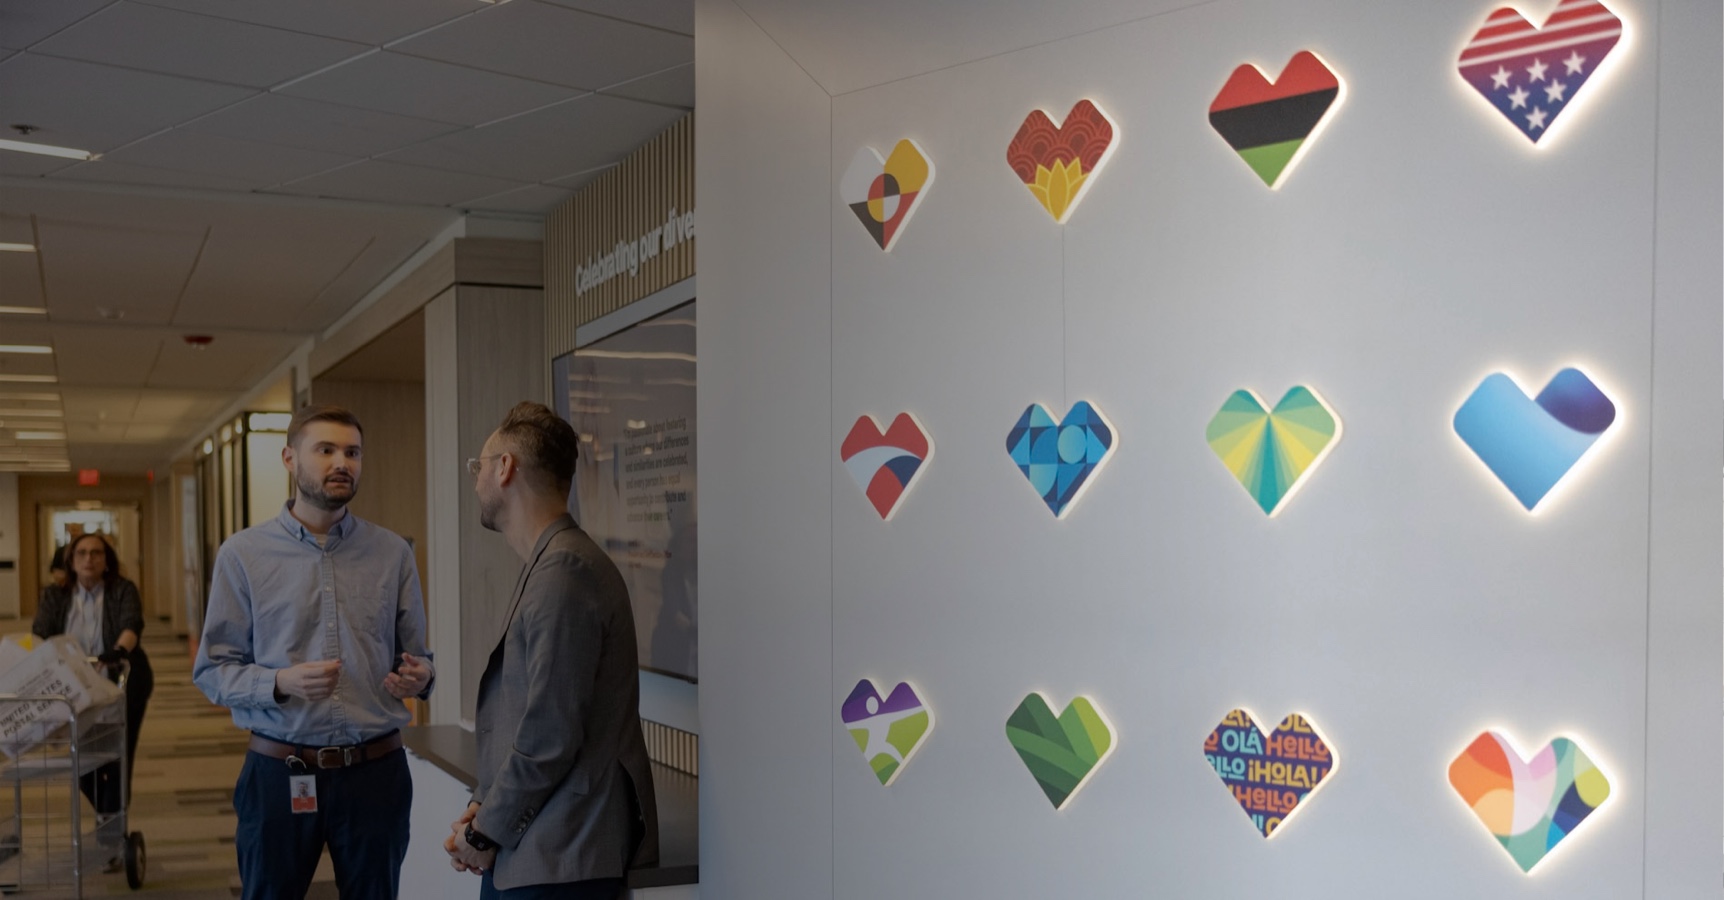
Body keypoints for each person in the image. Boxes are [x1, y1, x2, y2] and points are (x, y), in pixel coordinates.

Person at [192, 405, 434, 900]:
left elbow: (419, 658)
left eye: (352, 452)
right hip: (281, 771)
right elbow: (213, 670)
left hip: (376, 773)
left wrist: (422, 677)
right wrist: (280, 683)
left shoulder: (393, 553)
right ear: (289, 458)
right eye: (325, 450)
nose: (341, 462)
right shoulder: (242, 554)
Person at [445, 401, 658, 899]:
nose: (475, 481)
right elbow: (526, 716)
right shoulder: (548, 563)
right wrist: (485, 807)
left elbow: (549, 735)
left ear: (505, 468)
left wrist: (483, 832)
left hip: (564, 856)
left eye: (479, 467)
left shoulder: (566, 572)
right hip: (540, 849)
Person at [33, 532, 154, 816]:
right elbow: (40, 632)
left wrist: (118, 651)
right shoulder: (55, 595)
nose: (89, 559)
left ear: (106, 560)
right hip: (75, 689)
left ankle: (112, 828)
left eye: (97, 553)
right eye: (82, 553)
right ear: (71, 561)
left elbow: (131, 624)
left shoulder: (122, 589)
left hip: (122, 683)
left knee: (118, 756)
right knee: (84, 764)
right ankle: (108, 815)